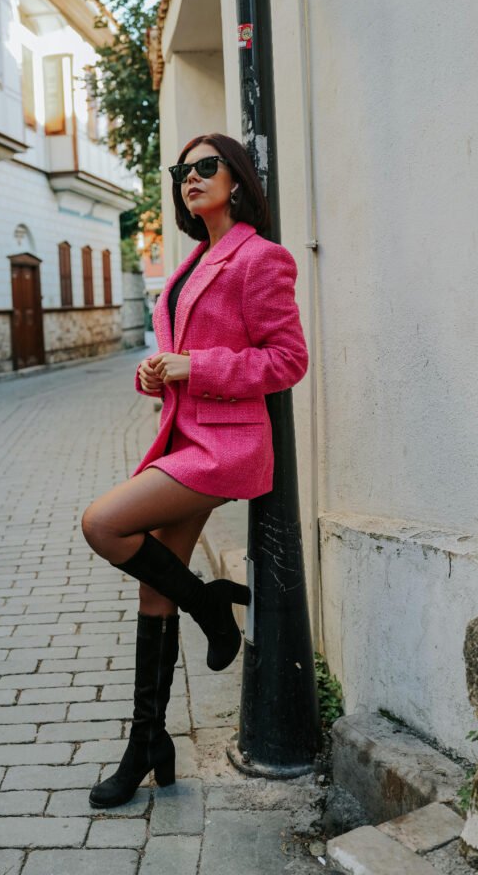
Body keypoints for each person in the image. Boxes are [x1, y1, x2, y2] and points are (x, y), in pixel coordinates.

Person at [81, 132, 309, 808]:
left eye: (207, 166)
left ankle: (211, 605)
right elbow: (177, 356)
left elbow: (287, 359)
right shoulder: (191, 264)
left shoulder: (259, 258)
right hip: (184, 438)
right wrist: (154, 373)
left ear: (236, 179)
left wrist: (197, 367)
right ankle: (148, 744)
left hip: (225, 447)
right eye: (183, 169)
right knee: (154, 594)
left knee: (102, 524)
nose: (191, 177)